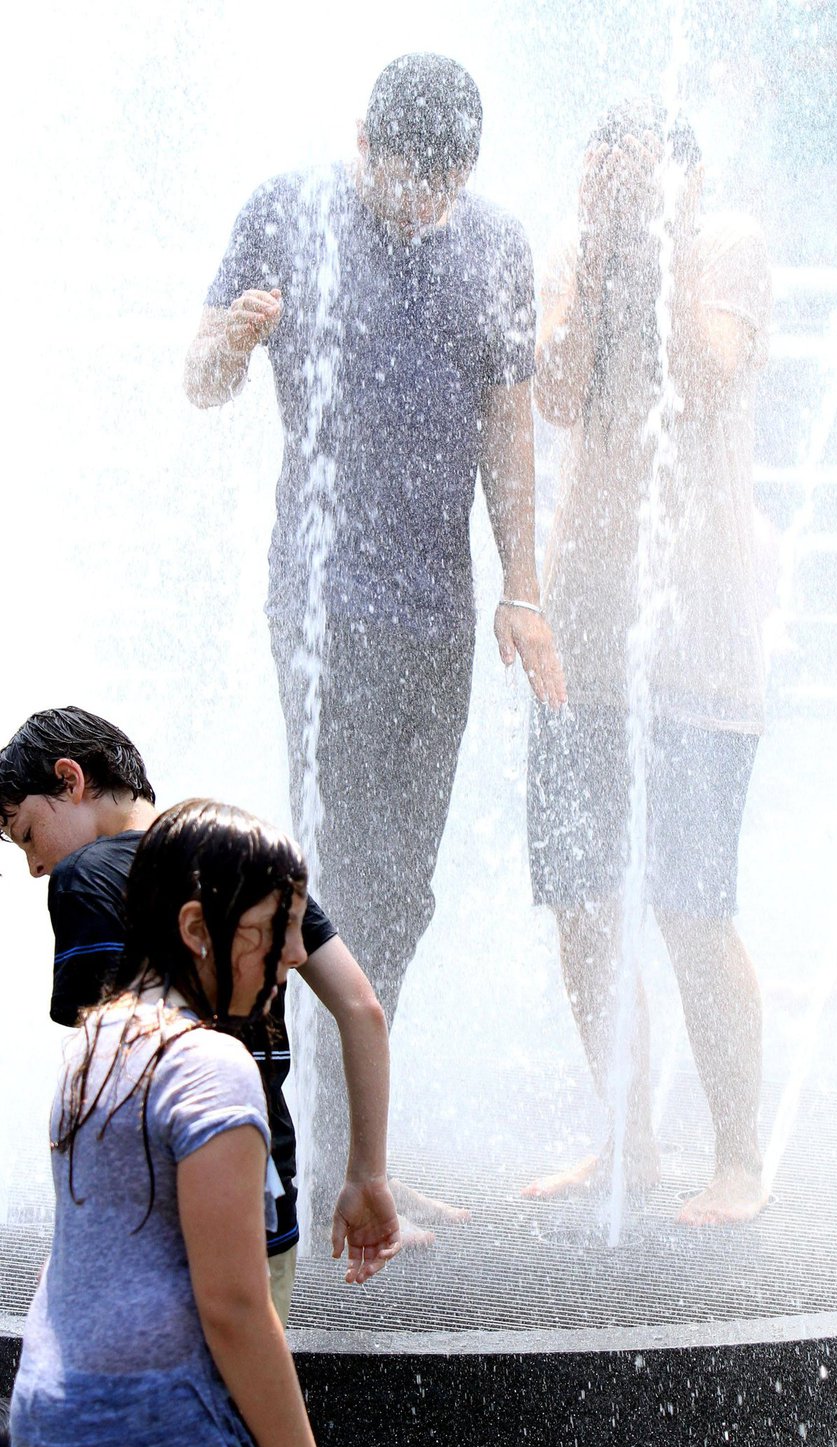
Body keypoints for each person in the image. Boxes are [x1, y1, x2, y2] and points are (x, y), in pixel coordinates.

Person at [183, 53, 565, 1227]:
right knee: (336, 871)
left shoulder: (493, 243)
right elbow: (199, 380)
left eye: (448, 189)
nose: (427, 210)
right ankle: (311, 1149)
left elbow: (507, 417)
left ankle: (349, 1137)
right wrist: (234, 340)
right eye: (411, 184)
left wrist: (524, 586)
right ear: (364, 142)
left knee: (403, 885)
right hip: (322, 604)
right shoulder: (287, 213)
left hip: (437, 607)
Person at [523, 102, 772, 1225]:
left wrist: (660, 241)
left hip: (699, 648)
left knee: (691, 908)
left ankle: (738, 1156)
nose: (620, 196)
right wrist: (597, 249)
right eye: (606, 178)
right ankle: (627, 1140)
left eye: (639, 179)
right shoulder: (573, 257)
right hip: (583, 639)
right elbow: (558, 393)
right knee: (581, 902)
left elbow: (706, 376)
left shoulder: (728, 247)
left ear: (688, 180)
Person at [0, 706, 399, 1313]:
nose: (33, 867)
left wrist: (86, 1245)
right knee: (249, 1370)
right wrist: (367, 1176)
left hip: (160, 1233)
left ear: (70, 779)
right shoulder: (245, 854)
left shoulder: (87, 879)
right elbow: (362, 1007)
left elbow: (109, 1077)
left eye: (27, 833)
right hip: (268, 1211)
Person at [10, 798, 320, 1447]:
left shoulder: (95, 1042)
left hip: (53, 1413)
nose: (296, 955)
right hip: (156, 1428)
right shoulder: (210, 1065)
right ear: (196, 928)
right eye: (278, 927)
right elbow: (234, 1307)